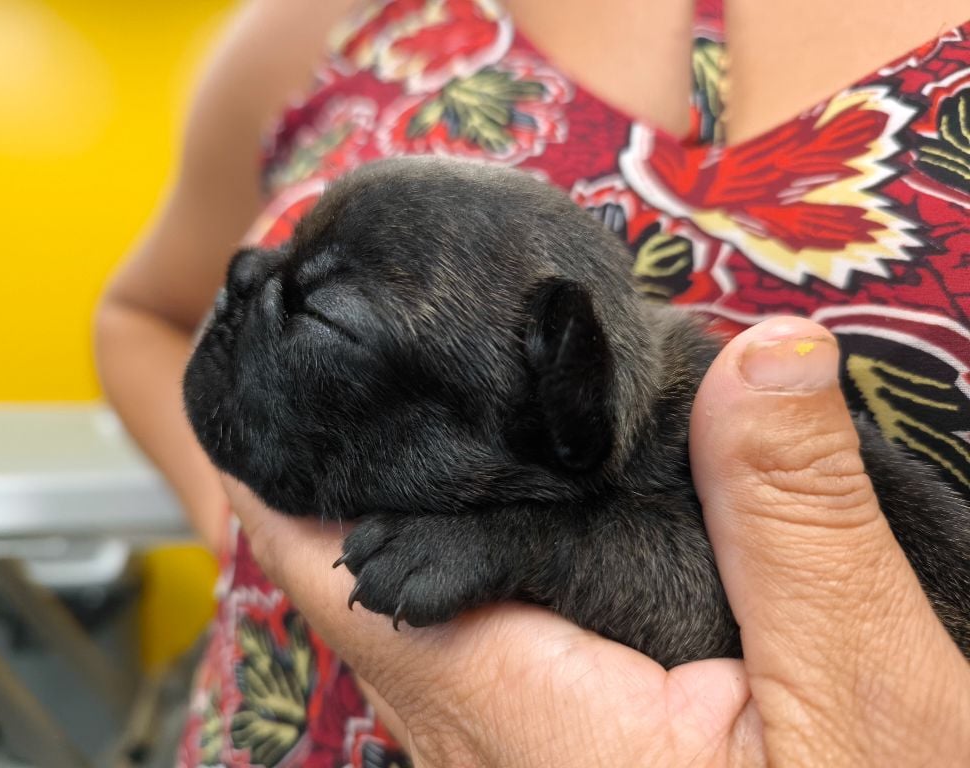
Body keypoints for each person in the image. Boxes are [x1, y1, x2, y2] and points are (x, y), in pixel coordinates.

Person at [94, 0, 970, 765]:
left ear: (560, 402)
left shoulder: (676, 450)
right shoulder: (336, 18)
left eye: (326, 318)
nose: (245, 280)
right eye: (276, 257)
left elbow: (707, 598)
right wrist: (262, 541)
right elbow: (145, 312)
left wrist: (527, 548)